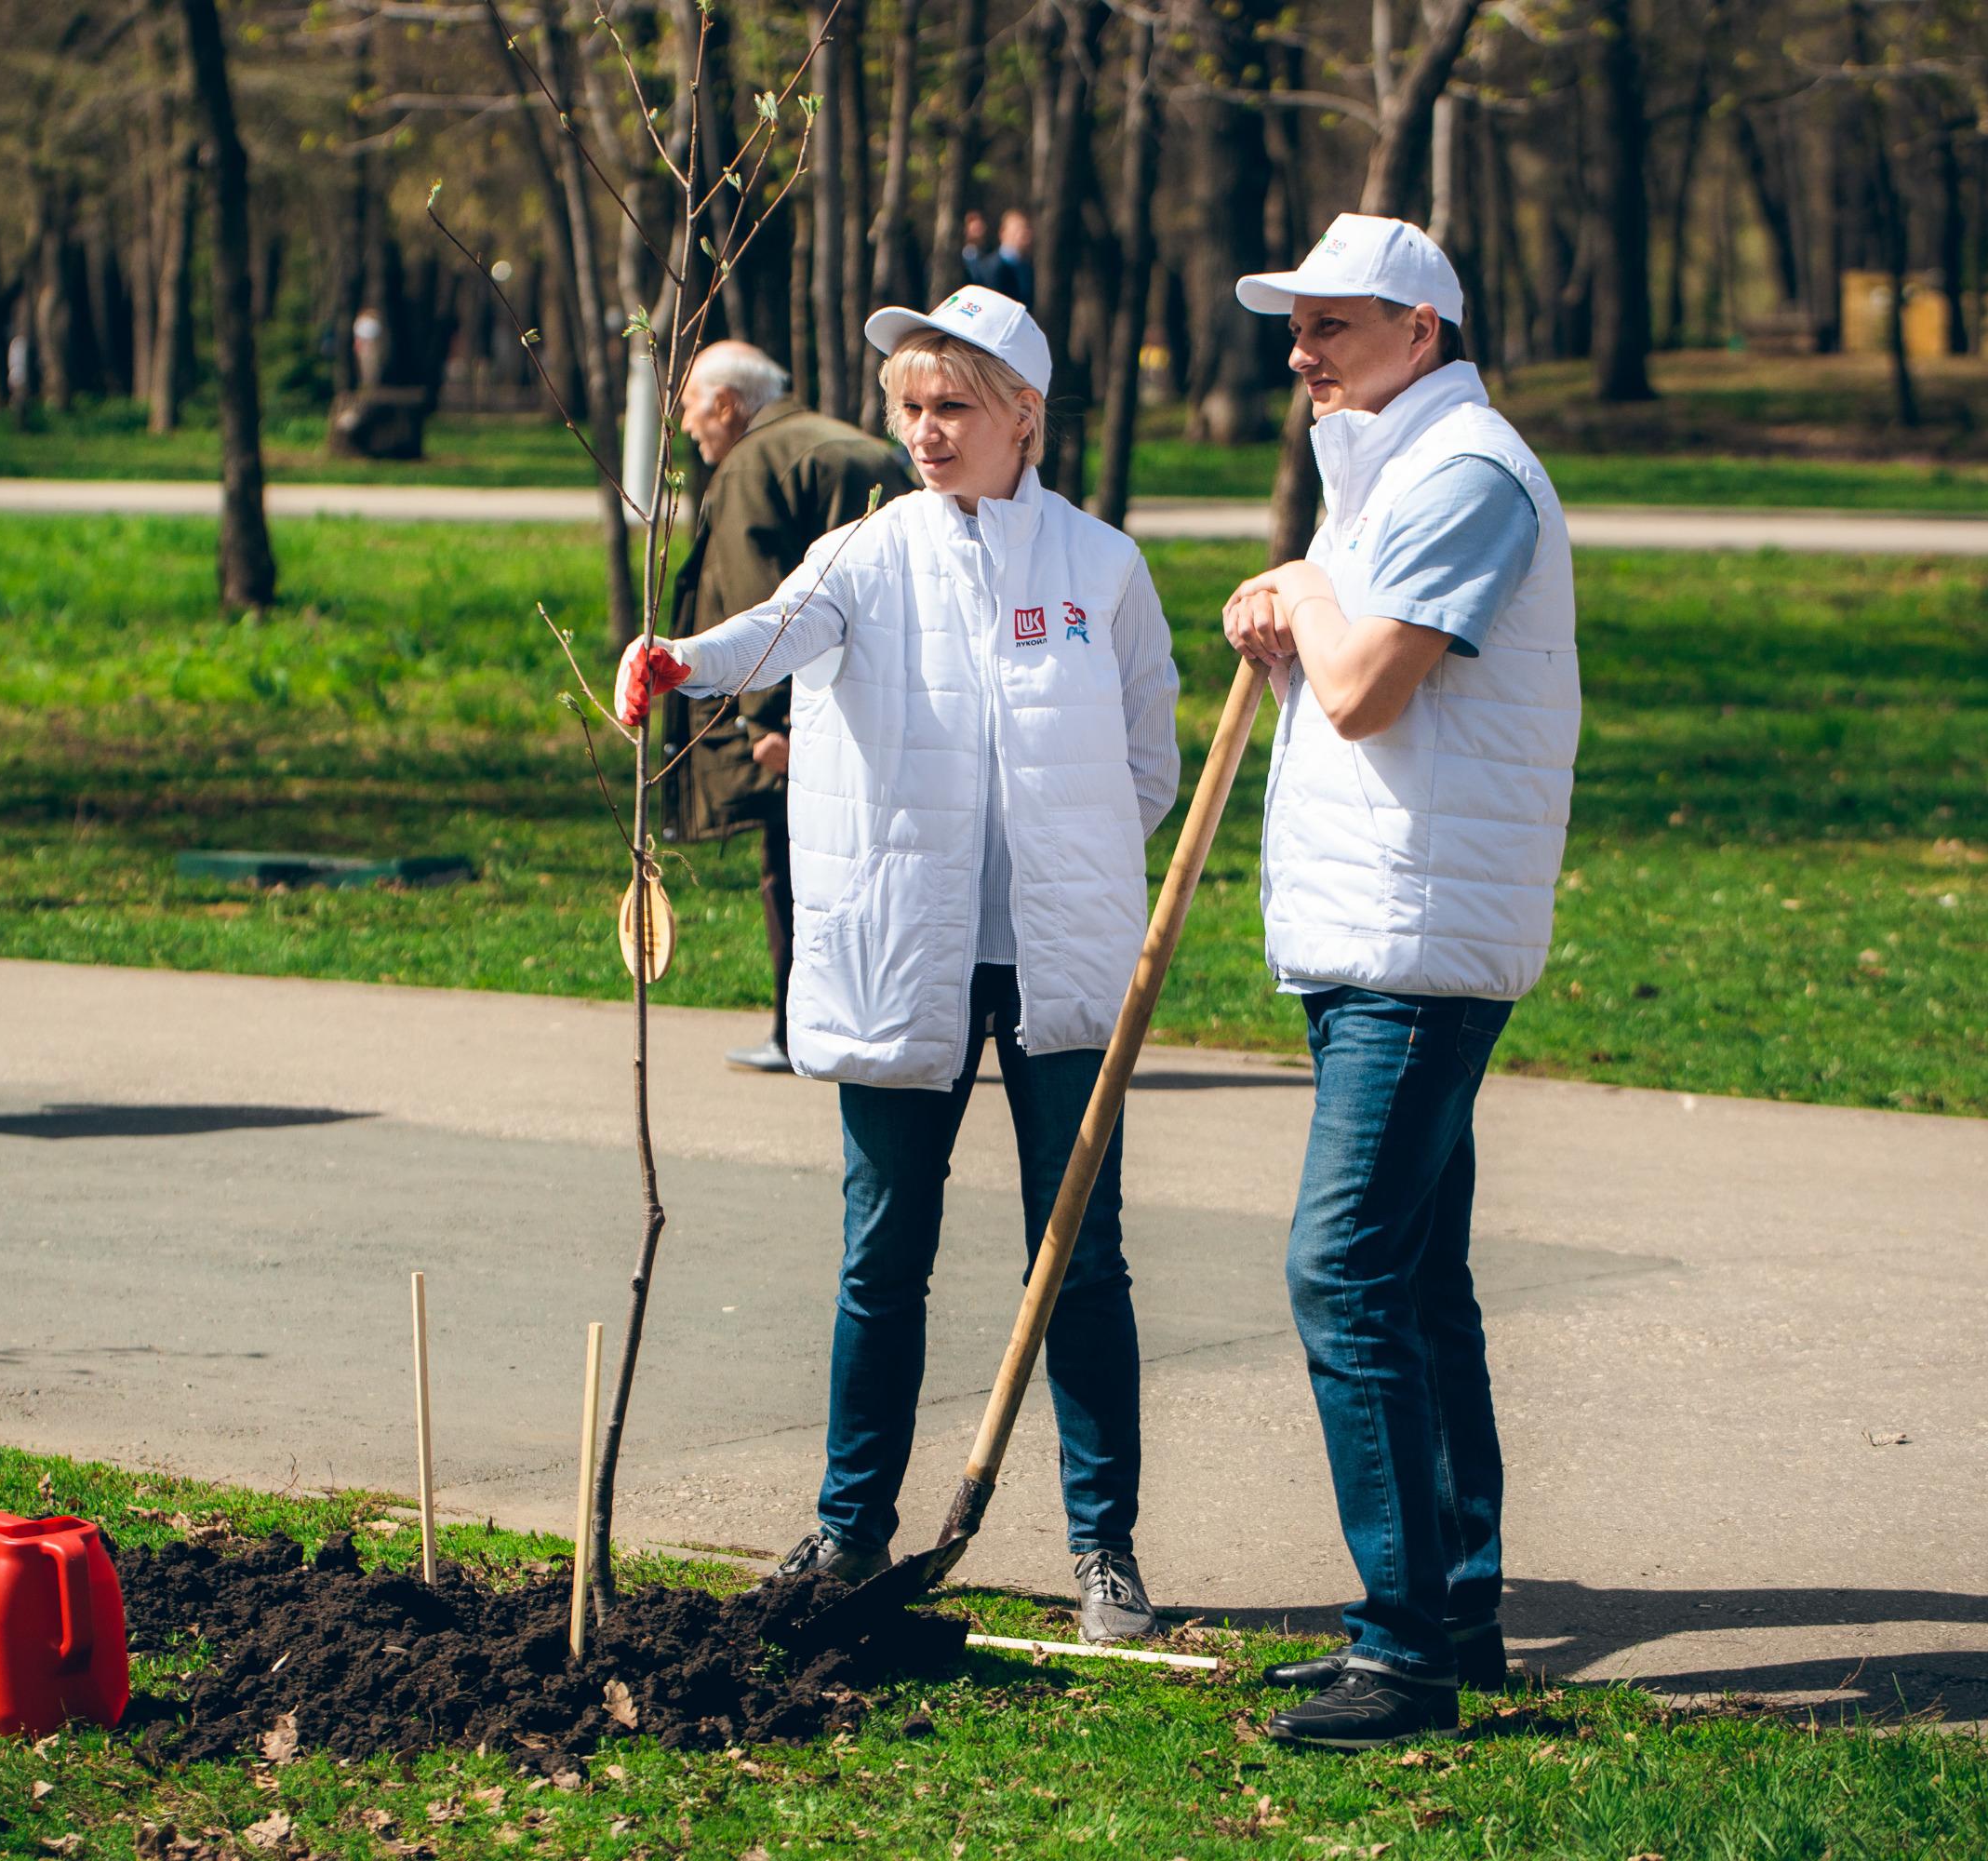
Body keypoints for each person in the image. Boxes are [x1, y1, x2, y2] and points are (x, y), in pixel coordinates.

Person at [615, 286, 1181, 1640]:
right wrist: (677, 659)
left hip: (1058, 963)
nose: (924, 434)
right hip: (904, 953)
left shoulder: (1101, 570)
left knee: (1081, 1262)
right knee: (883, 1254)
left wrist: (1073, 858)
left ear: (1023, 419)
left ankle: (1105, 1552)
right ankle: (848, 1526)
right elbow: (766, 636)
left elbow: (1149, 760)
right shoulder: (864, 556)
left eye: (953, 409)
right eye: (910, 409)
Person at [1217, 215, 1581, 1744]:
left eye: (1336, 328)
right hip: (1383, 927)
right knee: (1417, 1282)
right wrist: (1298, 599)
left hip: (1421, 944)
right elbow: (1364, 662)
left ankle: (1400, 1651)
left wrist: (1302, 602)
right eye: (1294, 327)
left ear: (1421, 332)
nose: (1302, 353)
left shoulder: (1466, 473)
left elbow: (1367, 691)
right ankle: (1455, 1617)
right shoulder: (1391, 477)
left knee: (1342, 1272)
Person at [662, 340, 915, 1074]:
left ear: (727, 403)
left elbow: (756, 598)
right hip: (876, 699)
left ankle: (792, 1028)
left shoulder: (752, 463)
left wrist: (762, 722)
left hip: (791, 713)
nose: (687, 427)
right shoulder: (855, 447)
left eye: (689, 408)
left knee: (791, 867)